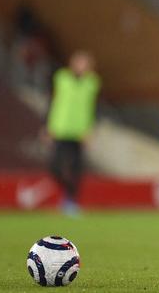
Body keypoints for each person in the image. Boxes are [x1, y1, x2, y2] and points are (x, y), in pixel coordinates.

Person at [46, 51, 100, 215]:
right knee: (54, 166)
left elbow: (94, 108)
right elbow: (52, 102)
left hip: (79, 132)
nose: (81, 66)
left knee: (76, 169)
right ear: (72, 63)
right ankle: (67, 196)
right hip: (60, 129)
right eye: (79, 62)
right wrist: (47, 126)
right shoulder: (61, 78)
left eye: (84, 63)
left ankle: (70, 201)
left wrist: (90, 130)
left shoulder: (92, 83)